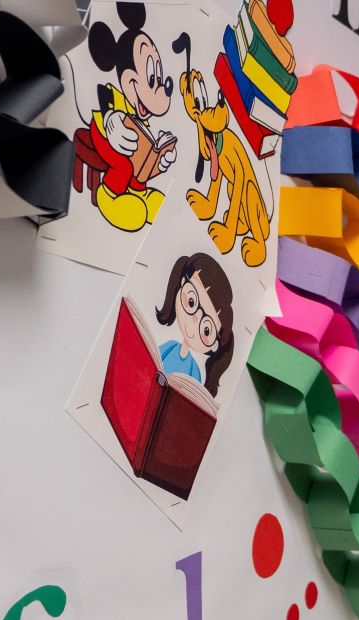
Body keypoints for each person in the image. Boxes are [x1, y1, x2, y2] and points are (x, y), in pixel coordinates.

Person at [79, 2, 179, 231]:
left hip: (130, 140)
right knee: (124, 166)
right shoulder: (113, 94)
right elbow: (104, 101)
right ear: (128, 79)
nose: (160, 88)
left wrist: (160, 159)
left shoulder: (140, 114)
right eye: (152, 79)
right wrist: (111, 119)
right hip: (104, 132)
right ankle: (109, 196)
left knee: (142, 162)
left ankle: (139, 194)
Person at [153, 253, 236, 395]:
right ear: (181, 284)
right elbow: (152, 360)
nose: (195, 319)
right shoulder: (171, 346)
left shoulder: (194, 371)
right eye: (191, 301)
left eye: (206, 329)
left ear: (215, 344)